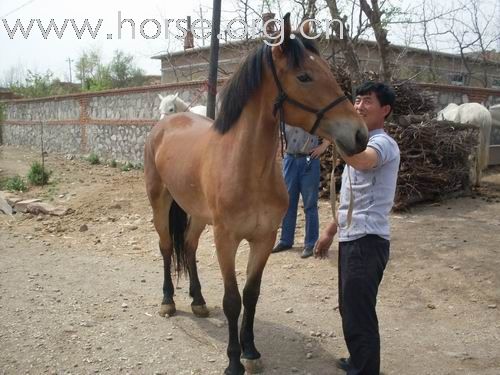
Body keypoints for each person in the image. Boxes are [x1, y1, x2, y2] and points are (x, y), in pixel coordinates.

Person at [315, 82, 399, 375]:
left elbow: (363, 163)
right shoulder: (362, 141)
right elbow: (352, 198)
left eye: (368, 102)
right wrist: (329, 231)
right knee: (350, 307)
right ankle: (358, 360)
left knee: (359, 312)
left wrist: (334, 135)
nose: (360, 106)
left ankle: (365, 370)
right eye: (358, 100)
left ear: (384, 110)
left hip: (368, 241)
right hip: (354, 238)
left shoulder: (382, 144)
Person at [272, 125, 330, 258]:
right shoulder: (286, 115)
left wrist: (323, 147)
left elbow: (330, 130)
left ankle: (310, 244)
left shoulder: (312, 112)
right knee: (288, 202)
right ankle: (286, 240)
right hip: (290, 159)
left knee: (310, 204)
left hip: (309, 160)